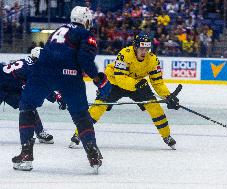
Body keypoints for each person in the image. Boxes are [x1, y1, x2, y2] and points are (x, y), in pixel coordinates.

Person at [12, 6, 106, 173]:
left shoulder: (59, 30)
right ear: (86, 20)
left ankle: (26, 154)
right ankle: (93, 154)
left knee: (26, 106)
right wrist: (97, 78)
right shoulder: (86, 34)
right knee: (81, 115)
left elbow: (46, 53)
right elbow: (84, 59)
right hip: (70, 76)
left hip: (42, 72)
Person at [69, 33, 179, 150]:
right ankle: (78, 134)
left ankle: (166, 136)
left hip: (137, 84)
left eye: (147, 48)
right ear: (135, 47)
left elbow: (158, 82)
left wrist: (168, 96)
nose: (144, 51)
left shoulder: (152, 60)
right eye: (142, 48)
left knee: (154, 107)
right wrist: (136, 84)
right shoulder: (124, 54)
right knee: (98, 107)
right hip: (114, 82)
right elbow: (121, 79)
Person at [0, 47, 66, 144]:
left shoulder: (28, 64)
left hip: (10, 89)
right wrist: (57, 97)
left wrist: (57, 96)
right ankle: (40, 132)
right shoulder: (31, 69)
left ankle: (40, 132)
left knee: (28, 106)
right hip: (3, 86)